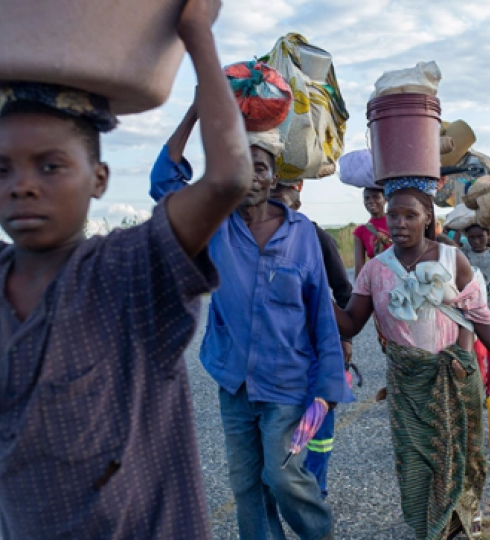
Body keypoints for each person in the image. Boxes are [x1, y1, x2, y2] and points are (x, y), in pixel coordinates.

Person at [0, 1, 252, 537]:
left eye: (50, 165)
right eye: (1, 168)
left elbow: (227, 178)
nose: (22, 184)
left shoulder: (130, 270)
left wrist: (195, 30)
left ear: (100, 178)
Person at [151, 86, 350, 540]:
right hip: (235, 384)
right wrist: (195, 112)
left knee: (282, 478)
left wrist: (327, 388)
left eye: (258, 166)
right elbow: (164, 183)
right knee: (246, 488)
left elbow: (321, 315)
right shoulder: (215, 226)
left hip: (289, 386)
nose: (249, 176)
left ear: (272, 174)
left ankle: (319, 534)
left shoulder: (302, 235)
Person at [333, 177, 490, 540]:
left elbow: (481, 318)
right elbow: (352, 323)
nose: (400, 223)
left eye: (410, 215)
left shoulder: (453, 259)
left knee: (458, 456)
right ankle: (430, 527)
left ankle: (457, 520)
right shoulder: (376, 269)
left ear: (428, 218)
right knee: (416, 461)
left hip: (453, 376)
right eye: (394, 215)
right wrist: (317, 298)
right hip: (407, 384)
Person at [270, 180, 355, 500]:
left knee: (319, 424)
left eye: (285, 203)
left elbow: (344, 292)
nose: (279, 211)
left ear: (298, 203)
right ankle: (285, 483)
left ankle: (316, 486)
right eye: (271, 203)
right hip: (280, 354)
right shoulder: (257, 239)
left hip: (319, 350)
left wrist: (345, 340)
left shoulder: (317, 237)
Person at [453, 224, 490, 396]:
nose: (476, 241)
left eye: (480, 237)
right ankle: (479, 382)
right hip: (472, 311)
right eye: (472, 238)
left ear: (488, 235)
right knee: (477, 350)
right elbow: (450, 249)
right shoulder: (464, 255)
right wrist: (456, 228)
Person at [352, 187, 390, 278]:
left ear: (385, 200)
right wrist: (358, 290)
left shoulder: (397, 224)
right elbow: (359, 268)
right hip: (377, 280)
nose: (371, 201)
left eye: (376, 197)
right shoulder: (360, 231)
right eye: (367, 198)